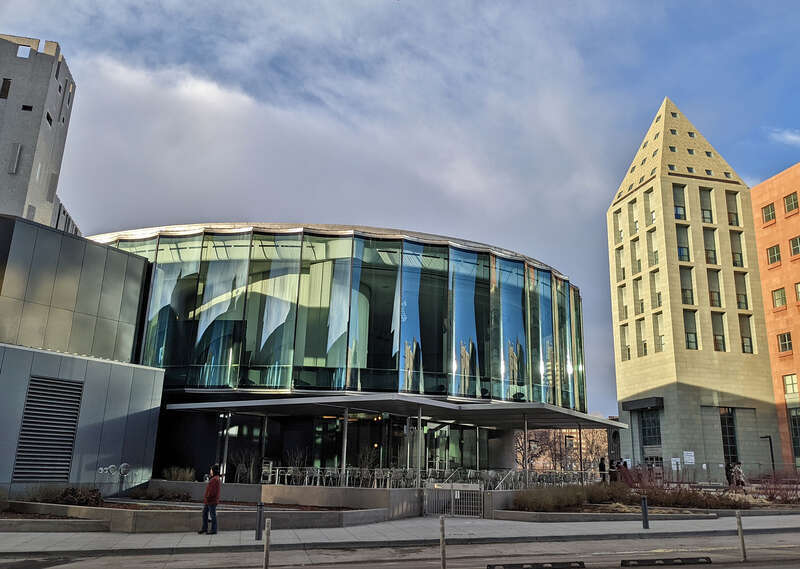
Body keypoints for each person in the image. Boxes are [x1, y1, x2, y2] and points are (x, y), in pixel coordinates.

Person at [199, 464, 221, 535]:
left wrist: (208, 497)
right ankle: (204, 528)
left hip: (211, 500)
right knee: (205, 514)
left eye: (211, 470)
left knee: (212, 515)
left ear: (214, 471)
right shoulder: (215, 478)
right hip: (209, 500)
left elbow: (212, 491)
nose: (210, 471)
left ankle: (213, 530)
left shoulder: (215, 479)